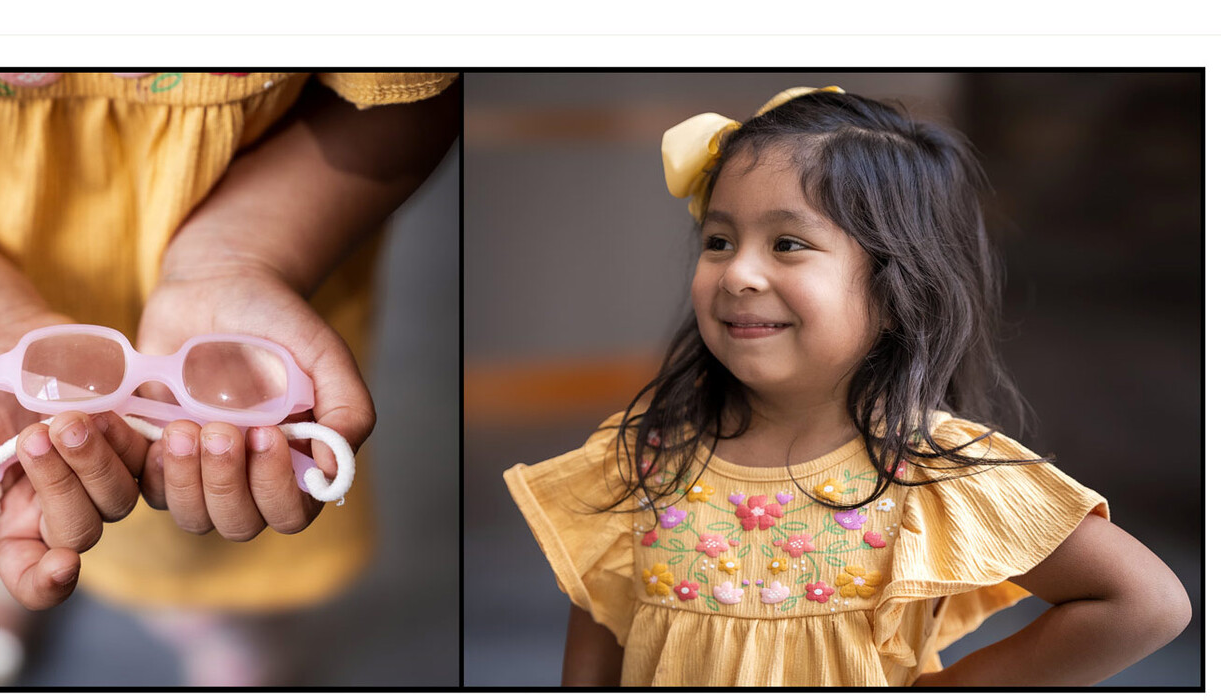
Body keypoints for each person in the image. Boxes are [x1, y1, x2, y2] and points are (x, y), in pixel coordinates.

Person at [502, 86, 1189, 687]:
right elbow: (599, 608)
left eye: (787, 244)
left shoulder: (931, 468)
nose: (737, 273)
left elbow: (1145, 603)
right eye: (718, 241)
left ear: (897, 289)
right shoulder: (654, 442)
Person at [0, 71, 458, 685]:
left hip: (259, 282)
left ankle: (208, 601)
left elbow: (417, 99)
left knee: (214, 482)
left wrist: (243, 251)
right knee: (3, 465)